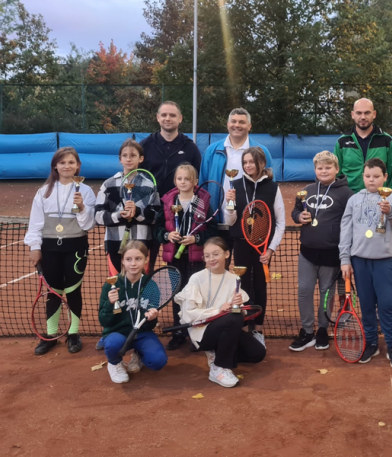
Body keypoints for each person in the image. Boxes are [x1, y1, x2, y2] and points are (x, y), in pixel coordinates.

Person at [24, 147, 96, 355]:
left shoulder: (86, 191)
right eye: (63, 162)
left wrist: (82, 208)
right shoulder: (43, 191)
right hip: (49, 248)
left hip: (76, 247)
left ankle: (73, 333)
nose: (67, 166)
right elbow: (35, 223)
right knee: (53, 292)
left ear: (78, 166)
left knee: (73, 290)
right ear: (55, 165)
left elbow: (88, 224)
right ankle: (51, 334)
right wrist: (35, 247)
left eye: (71, 162)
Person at [339, 157, 392, 368]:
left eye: (376, 176)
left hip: (385, 261)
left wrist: (390, 211)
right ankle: (371, 343)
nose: (372, 180)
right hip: (359, 261)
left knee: (387, 305)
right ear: (363, 177)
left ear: (385, 177)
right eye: (368, 176)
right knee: (367, 305)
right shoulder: (354, 200)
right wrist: (345, 259)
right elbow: (345, 231)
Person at [175, 237, 266, 388]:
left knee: (257, 353)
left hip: (226, 327)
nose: (211, 259)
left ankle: (219, 351)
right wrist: (219, 310)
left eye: (216, 254)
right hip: (201, 332)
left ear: (227, 254)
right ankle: (219, 367)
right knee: (233, 318)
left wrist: (239, 307)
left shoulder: (234, 279)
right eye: (207, 255)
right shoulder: (196, 278)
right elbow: (188, 314)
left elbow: (239, 314)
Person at [288, 151, 354, 352]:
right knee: (304, 291)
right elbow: (295, 211)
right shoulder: (307, 190)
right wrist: (299, 216)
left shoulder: (346, 194)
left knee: (327, 294)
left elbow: (350, 223)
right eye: (320, 168)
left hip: (331, 254)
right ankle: (307, 331)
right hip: (307, 252)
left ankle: (323, 329)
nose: (323, 171)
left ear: (336, 169)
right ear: (315, 170)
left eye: (328, 167)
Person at [223, 147, 285, 347]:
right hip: (241, 244)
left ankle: (258, 330)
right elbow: (230, 221)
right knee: (242, 287)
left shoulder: (273, 187)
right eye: (245, 162)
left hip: (263, 248)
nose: (248, 166)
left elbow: (280, 222)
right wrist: (229, 204)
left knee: (260, 286)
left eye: (252, 162)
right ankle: (242, 328)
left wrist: (271, 249)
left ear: (262, 163)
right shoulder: (235, 186)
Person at [154, 164, 215, 351]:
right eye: (179, 179)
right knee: (177, 295)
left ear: (195, 181)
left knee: (196, 295)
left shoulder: (202, 202)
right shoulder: (168, 201)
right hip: (175, 258)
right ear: (175, 181)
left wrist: (195, 238)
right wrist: (167, 236)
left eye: (187, 179)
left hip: (195, 258)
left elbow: (212, 229)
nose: (183, 182)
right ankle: (178, 332)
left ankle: (196, 332)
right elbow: (157, 228)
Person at [141, 101, 202, 270]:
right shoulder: (145, 145)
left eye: (172, 115)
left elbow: (196, 180)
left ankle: (181, 296)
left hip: (179, 216)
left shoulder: (190, 148)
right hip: (149, 215)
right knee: (144, 265)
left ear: (180, 119)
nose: (168, 118)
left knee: (180, 267)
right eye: (164, 115)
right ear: (158, 118)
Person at [97, 241, 168, 384]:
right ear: (122, 261)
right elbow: (104, 321)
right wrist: (110, 304)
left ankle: (139, 354)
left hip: (142, 333)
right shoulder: (112, 284)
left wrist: (151, 318)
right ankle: (115, 363)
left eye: (138, 259)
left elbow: (150, 325)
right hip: (118, 332)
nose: (133, 264)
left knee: (158, 361)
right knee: (112, 344)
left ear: (146, 259)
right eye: (128, 259)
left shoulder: (151, 285)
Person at [200, 108, 274, 233]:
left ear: (249, 126)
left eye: (242, 122)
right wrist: (205, 215)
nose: (237, 125)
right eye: (233, 121)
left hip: (249, 221)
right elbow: (203, 185)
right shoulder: (212, 150)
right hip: (216, 221)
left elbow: (269, 186)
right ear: (228, 124)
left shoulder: (262, 151)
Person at [94, 139, 160, 274]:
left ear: (141, 158)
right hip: (115, 244)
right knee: (117, 287)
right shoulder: (108, 184)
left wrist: (137, 213)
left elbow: (156, 216)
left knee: (140, 288)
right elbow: (98, 216)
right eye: (125, 156)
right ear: (120, 159)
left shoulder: (149, 185)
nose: (128, 159)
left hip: (142, 245)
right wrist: (118, 215)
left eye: (133, 155)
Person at [334, 98, 392, 197]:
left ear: (374, 114)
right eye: (359, 113)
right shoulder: (342, 142)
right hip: (349, 199)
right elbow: (335, 174)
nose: (363, 117)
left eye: (367, 113)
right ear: (353, 115)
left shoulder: (386, 140)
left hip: (378, 200)